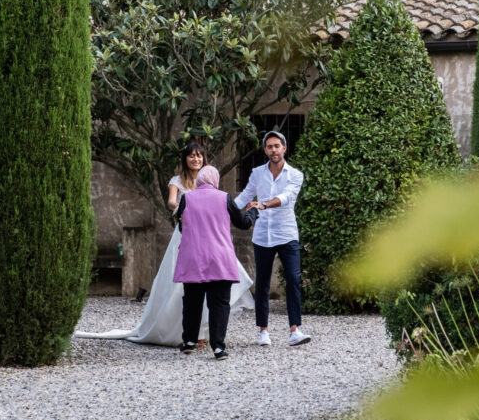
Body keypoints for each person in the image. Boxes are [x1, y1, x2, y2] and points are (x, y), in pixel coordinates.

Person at [74, 142, 254, 346]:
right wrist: (187, 206)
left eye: (199, 156)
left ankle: (201, 333)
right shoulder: (178, 181)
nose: (196, 159)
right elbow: (171, 202)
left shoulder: (210, 184)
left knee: (209, 288)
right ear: (185, 159)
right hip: (188, 236)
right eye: (191, 156)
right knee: (184, 290)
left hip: (210, 238)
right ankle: (184, 334)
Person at [234, 131, 311, 347]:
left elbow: (287, 198)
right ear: (265, 150)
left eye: (277, 146)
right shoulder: (257, 173)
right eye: (269, 147)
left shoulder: (295, 175)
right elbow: (245, 196)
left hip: (287, 234)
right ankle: (263, 331)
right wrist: (223, 208)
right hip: (262, 236)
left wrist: (264, 204)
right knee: (263, 284)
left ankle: (295, 330)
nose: (273, 150)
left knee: (293, 279)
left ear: (284, 148)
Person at [175, 166, 259, 359]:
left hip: (193, 259)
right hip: (219, 258)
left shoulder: (187, 198)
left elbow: (181, 226)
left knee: (191, 302)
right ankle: (218, 347)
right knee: (220, 303)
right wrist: (253, 212)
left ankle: (189, 341)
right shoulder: (225, 198)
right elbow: (243, 223)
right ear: (215, 179)